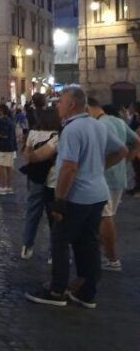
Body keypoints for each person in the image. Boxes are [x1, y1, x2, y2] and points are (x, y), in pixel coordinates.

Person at [25, 86, 127, 309]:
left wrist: (59, 200)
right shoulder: (97, 125)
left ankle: (57, 290)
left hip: (77, 196)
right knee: (87, 242)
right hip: (98, 193)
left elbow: (69, 167)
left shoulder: (72, 129)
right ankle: (86, 292)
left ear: (71, 105)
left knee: (60, 240)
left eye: (60, 101)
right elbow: (122, 151)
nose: (57, 105)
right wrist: (99, 168)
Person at [87, 99, 139, 272]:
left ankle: (112, 259)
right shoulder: (118, 122)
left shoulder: (99, 125)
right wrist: (127, 160)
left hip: (105, 178)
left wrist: (101, 166)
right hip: (119, 178)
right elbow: (136, 142)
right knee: (105, 216)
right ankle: (100, 254)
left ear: (89, 109)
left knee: (105, 217)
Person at [20, 108, 61, 260]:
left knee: (32, 212)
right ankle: (53, 252)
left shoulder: (33, 133)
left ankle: (27, 246)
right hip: (53, 178)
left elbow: (27, 156)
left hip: (36, 178)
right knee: (54, 216)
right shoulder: (58, 135)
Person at [0, 105, 17, 195]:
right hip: (11, 147)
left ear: (2, 110)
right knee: (9, 167)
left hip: (5, 147)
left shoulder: (4, 121)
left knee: (0, 167)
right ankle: (8, 187)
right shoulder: (9, 120)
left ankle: (3, 187)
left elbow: (5, 135)